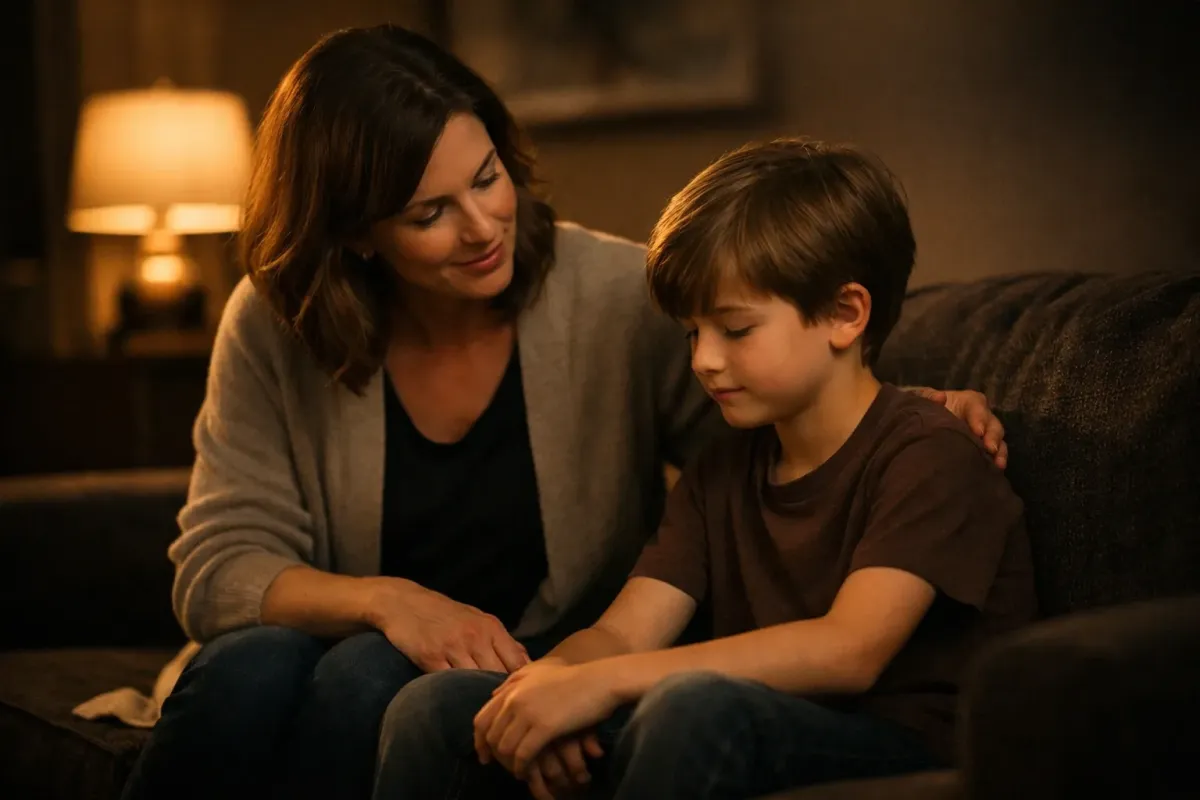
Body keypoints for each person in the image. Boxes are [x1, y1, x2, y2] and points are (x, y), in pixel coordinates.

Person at [121, 24, 1008, 800]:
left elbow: (809, 398)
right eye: (431, 212)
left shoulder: (620, 300)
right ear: (356, 234)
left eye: (488, 178)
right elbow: (219, 565)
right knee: (255, 662)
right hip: (391, 641)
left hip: (636, 670)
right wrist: (405, 609)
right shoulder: (278, 326)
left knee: (370, 678)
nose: (481, 226)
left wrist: (920, 407)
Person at [372, 137, 1037, 800]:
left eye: (735, 330)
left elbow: (849, 650)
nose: (703, 361)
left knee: (692, 708)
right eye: (693, 332)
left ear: (845, 314)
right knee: (436, 710)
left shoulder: (929, 452)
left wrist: (604, 684)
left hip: (900, 743)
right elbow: (622, 632)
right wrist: (548, 691)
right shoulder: (722, 470)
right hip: (725, 718)